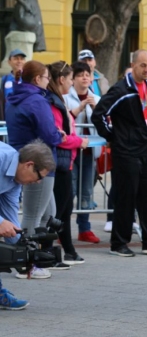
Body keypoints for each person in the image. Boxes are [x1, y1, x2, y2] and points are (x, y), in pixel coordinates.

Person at [92, 49, 147, 257]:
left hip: (146, 149)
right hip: (126, 152)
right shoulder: (121, 90)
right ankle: (119, 243)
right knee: (126, 198)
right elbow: (98, 115)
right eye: (143, 65)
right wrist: (114, 137)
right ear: (134, 65)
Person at [5, 60, 64, 279]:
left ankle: (32, 258)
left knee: (47, 213)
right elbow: (49, 134)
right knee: (33, 214)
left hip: (24, 158)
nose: (49, 82)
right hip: (37, 162)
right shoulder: (37, 101)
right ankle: (26, 263)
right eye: (47, 78)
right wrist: (60, 135)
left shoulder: (15, 97)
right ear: (38, 79)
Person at [0, 140, 55, 308]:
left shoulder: (15, 179)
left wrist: (23, 255)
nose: (38, 182)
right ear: (29, 165)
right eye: (39, 177)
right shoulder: (1, 159)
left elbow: (11, 218)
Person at [47, 61, 87, 266]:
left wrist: (74, 112)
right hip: (59, 163)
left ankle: (68, 251)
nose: (72, 83)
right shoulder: (54, 101)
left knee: (65, 209)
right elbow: (59, 136)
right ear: (62, 79)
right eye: (71, 79)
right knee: (58, 211)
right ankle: (47, 252)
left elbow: (64, 125)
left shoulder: (58, 100)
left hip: (64, 162)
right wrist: (80, 141)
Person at [64, 61, 100, 245]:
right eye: (80, 74)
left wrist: (94, 108)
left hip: (89, 151)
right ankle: (63, 230)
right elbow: (64, 119)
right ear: (73, 79)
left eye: (88, 74)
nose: (85, 77)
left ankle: (84, 228)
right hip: (70, 150)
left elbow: (103, 122)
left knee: (86, 191)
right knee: (69, 190)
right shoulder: (65, 97)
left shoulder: (97, 98)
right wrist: (80, 107)